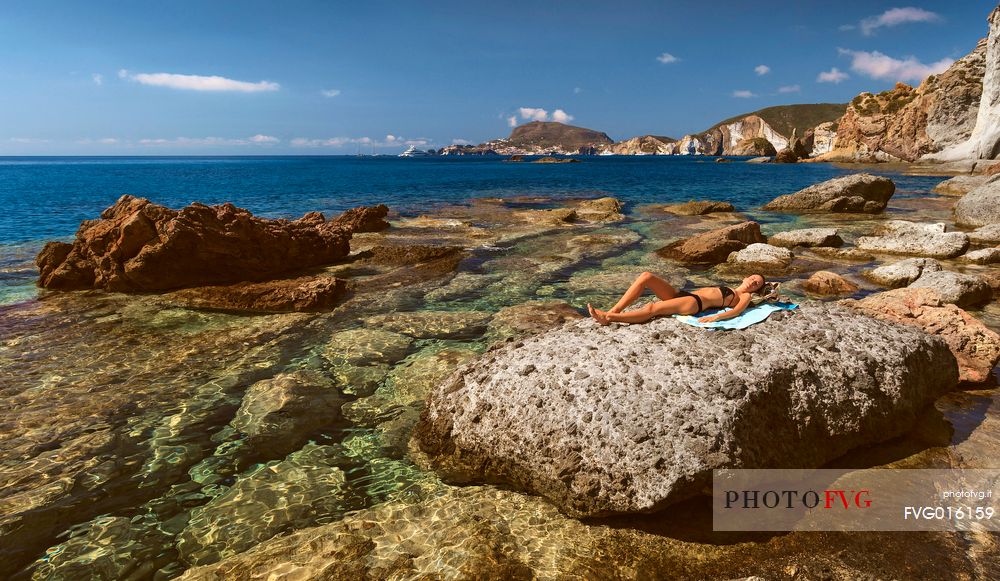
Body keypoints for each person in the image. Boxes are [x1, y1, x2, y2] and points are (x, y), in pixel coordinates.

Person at [587, 272, 765, 325]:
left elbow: (737, 311)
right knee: (646, 277)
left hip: (694, 303)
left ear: (756, 289)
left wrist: (716, 317)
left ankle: (609, 317)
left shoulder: (745, 295)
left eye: (757, 283)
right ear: (744, 278)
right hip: (685, 295)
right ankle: (615, 310)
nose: (752, 282)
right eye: (752, 278)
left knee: (653, 308)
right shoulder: (733, 286)